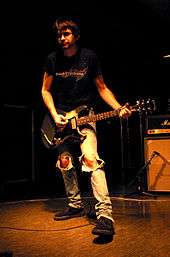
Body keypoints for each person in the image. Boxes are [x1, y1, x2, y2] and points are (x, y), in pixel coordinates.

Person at [41, 16, 131, 237]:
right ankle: (75, 205)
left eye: (66, 34)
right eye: (59, 35)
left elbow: (102, 88)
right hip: (60, 119)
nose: (62, 38)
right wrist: (55, 115)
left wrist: (118, 107)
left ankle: (105, 216)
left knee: (90, 158)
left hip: (85, 116)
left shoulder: (89, 57)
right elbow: (45, 90)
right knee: (64, 162)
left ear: (76, 36)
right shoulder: (52, 59)